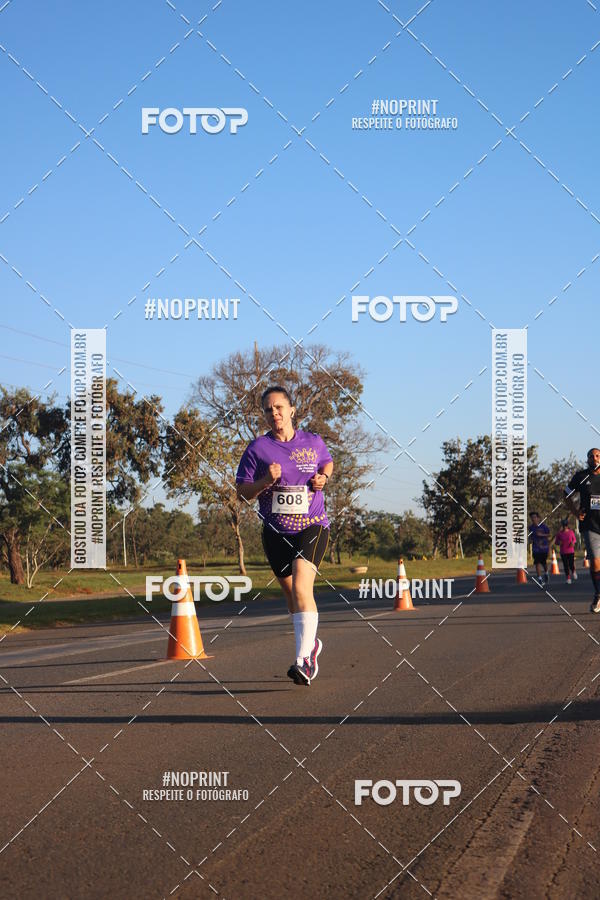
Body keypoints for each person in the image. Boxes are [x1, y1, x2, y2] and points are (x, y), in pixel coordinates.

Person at [236, 386, 334, 685]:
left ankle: (304, 661)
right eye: (268, 409)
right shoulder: (257, 449)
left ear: (292, 410)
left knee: (303, 586)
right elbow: (242, 493)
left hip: (312, 525)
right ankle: (310, 646)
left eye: (279, 407)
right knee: (292, 596)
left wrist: (323, 477)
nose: (274, 413)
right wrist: (266, 480)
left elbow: (327, 462)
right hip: (276, 531)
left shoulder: (312, 441)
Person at [565, 448, 600, 612]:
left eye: (598, 455)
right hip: (590, 525)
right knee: (595, 562)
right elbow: (566, 494)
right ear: (587, 459)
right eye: (591, 456)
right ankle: (598, 595)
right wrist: (575, 512)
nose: (595, 458)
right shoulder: (581, 476)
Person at [528, 511, 550, 586]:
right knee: (537, 563)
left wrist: (541, 535)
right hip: (536, 548)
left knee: (544, 563)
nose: (533, 519)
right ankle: (540, 579)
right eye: (532, 518)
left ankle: (546, 573)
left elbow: (549, 535)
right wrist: (530, 540)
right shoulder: (531, 527)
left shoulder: (544, 527)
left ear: (538, 518)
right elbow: (530, 537)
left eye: (534, 517)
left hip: (544, 548)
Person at [554, 518, 577, 584]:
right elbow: (556, 542)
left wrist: (573, 543)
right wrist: (559, 543)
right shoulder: (559, 534)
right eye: (563, 525)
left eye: (566, 525)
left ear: (567, 525)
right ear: (562, 526)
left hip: (571, 551)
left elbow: (574, 539)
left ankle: (573, 571)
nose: (565, 527)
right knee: (565, 565)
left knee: (571, 564)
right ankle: (568, 578)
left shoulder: (571, 532)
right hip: (563, 551)